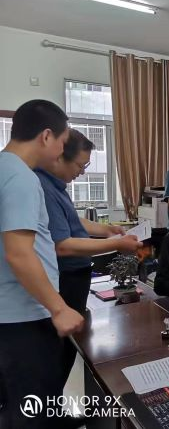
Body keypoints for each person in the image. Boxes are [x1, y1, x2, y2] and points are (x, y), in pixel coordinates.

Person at [0, 99, 84, 428]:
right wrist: (59, 308)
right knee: (34, 410)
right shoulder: (21, 177)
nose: (62, 151)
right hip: (24, 317)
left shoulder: (4, 167)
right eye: (63, 142)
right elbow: (19, 252)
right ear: (46, 136)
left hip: (9, 315)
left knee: (18, 405)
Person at [35, 129, 142, 387]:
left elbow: (72, 220)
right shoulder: (43, 187)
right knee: (57, 358)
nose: (82, 172)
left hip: (75, 280)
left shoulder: (56, 185)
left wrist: (106, 229)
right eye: (80, 165)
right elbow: (62, 245)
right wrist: (115, 243)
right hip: (65, 281)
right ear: (60, 156)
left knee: (69, 350)